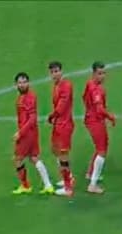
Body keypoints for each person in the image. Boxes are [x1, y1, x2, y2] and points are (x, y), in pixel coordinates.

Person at [13, 71, 55, 195]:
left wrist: (20, 133)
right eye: (20, 83)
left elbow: (32, 118)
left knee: (18, 159)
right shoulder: (21, 97)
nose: (22, 85)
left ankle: (25, 185)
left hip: (27, 134)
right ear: (16, 84)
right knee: (34, 158)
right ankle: (48, 185)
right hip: (31, 133)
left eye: (24, 82)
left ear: (28, 83)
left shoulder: (29, 97)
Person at [82, 62, 117, 194]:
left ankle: (90, 172)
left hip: (91, 118)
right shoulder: (96, 89)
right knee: (102, 150)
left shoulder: (89, 84)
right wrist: (110, 116)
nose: (102, 76)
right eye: (99, 73)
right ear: (93, 73)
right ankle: (93, 184)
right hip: (95, 121)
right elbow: (99, 109)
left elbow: (84, 98)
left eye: (104, 73)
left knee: (100, 147)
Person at [47, 61, 76, 196]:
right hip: (58, 123)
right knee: (54, 149)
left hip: (64, 124)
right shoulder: (56, 86)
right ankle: (68, 177)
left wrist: (51, 116)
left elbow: (61, 107)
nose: (55, 74)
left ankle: (68, 187)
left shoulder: (66, 85)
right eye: (52, 72)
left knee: (63, 154)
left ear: (61, 71)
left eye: (57, 71)